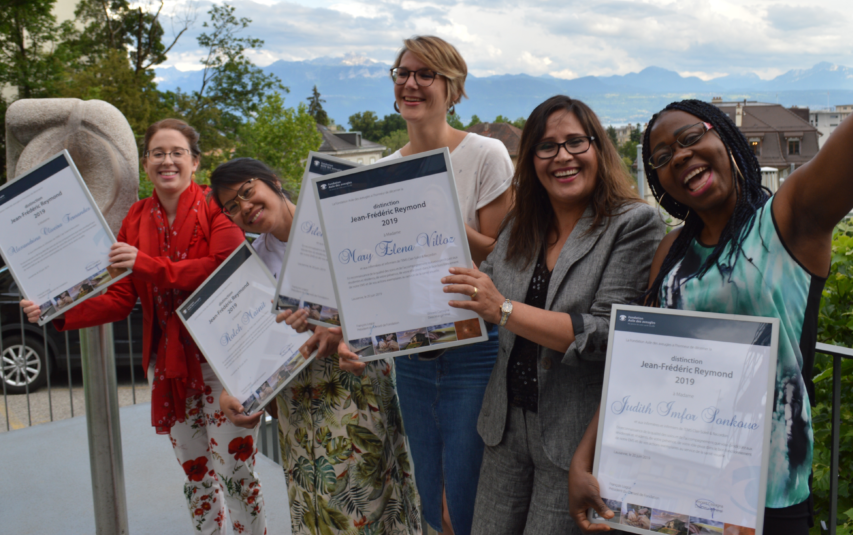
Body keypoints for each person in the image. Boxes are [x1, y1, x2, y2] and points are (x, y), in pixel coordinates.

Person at [568, 0, 853, 532]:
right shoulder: (669, 253)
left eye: (691, 137)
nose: (680, 157)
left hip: (766, 500)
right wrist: (584, 458)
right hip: (673, 487)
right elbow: (635, 371)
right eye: (662, 158)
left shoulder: (790, 219)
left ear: (727, 136)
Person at [413, 94, 663, 533]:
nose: (562, 156)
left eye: (575, 142)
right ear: (531, 160)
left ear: (598, 148)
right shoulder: (520, 225)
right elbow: (474, 301)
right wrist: (401, 329)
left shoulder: (632, 223)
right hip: (504, 429)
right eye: (547, 146)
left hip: (572, 440)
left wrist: (503, 309)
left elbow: (606, 334)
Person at [21, 119, 264, 534]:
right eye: (158, 153)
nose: (167, 161)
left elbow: (222, 270)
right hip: (167, 368)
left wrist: (148, 264)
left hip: (221, 365)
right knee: (196, 473)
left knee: (236, 473)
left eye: (177, 153)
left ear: (195, 162)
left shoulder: (215, 210)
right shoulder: (135, 219)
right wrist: (59, 311)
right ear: (146, 163)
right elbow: (120, 297)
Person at [339, 35, 515, 535]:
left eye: (425, 74)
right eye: (402, 73)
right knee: (426, 494)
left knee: (466, 495)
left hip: (472, 346)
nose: (411, 83)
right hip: (411, 352)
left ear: (452, 88)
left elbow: (501, 255)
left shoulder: (486, 154)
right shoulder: (382, 171)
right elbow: (376, 271)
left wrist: (431, 210)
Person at [210, 158, 423, 535]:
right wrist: (236, 389)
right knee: (313, 504)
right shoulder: (252, 263)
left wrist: (343, 330)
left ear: (274, 181)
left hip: (354, 388)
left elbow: (393, 296)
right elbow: (252, 343)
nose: (244, 207)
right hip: (296, 403)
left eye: (247, 191)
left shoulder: (341, 227)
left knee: (366, 503)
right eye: (231, 205)